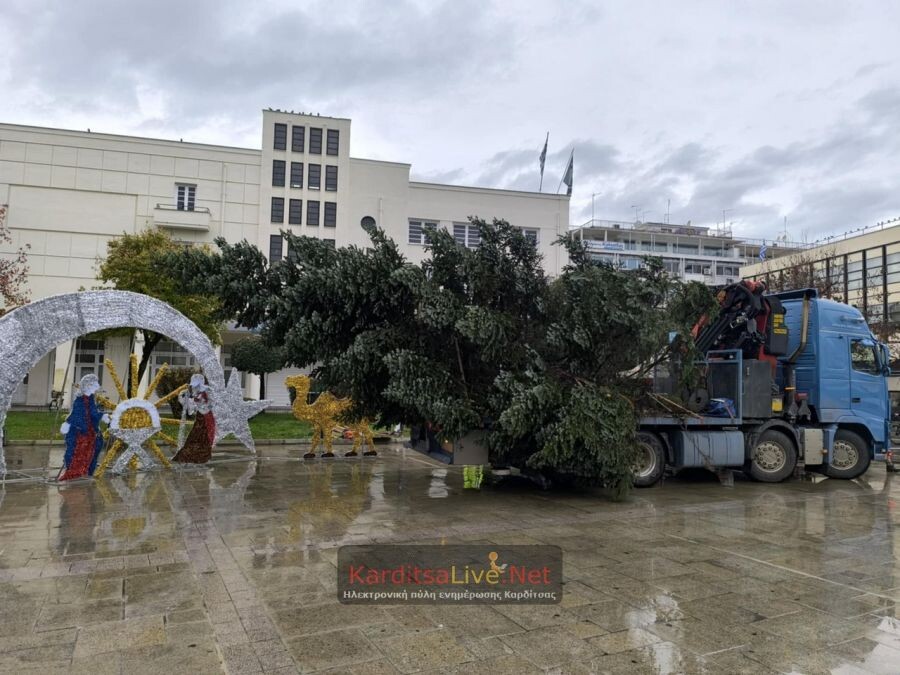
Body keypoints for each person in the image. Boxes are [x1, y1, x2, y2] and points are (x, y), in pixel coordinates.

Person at [59, 374, 108, 481]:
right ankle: (74, 471)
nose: (98, 386)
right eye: (95, 383)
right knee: (78, 451)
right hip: (81, 432)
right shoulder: (80, 400)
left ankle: (86, 470)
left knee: (93, 448)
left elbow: (93, 413)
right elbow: (77, 414)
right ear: (88, 385)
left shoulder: (90, 398)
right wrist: (68, 423)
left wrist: (102, 415)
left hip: (89, 431)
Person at [172, 374, 215, 464]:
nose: (194, 388)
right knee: (195, 436)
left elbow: (211, 404)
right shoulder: (195, 394)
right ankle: (193, 455)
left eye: (196, 386)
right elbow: (190, 410)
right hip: (200, 418)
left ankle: (201, 455)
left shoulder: (207, 392)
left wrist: (201, 403)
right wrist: (183, 397)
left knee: (203, 436)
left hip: (207, 419)